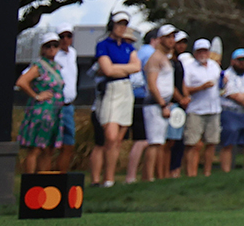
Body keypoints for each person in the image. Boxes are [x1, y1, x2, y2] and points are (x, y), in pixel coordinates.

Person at [90, 12, 141, 188]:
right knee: (110, 136)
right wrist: (123, 69)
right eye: (119, 24)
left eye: (124, 24)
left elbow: (136, 66)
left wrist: (117, 68)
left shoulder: (127, 47)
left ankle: (109, 179)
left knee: (118, 138)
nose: (122, 28)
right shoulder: (103, 45)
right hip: (111, 90)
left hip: (126, 89)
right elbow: (107, 70)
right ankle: (101, 177)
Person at [16, 34, 70, 174]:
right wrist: (37, 96)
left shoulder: (57, 66)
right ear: (42, 49)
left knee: (48, 149)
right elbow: (21, 82)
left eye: (55, 45)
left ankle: (43, 181)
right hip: (41, 111)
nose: (52, 49)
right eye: (48, 46)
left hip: (55, 112)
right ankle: (30, 180)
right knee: (36, 148)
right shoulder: (39, 65)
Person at [131, 25, 178, 183]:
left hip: (163, 103)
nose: (172, 40)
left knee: (159, 142)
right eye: (168, 37)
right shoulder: (155, 58)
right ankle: (148, 177)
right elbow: (152, 84)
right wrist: (162, 104)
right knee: (154, 142)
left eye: (173, 37)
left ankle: (152, 177)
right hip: (155, 105)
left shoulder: (165, 57)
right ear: (160, 39)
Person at [179, 38, 222, 177]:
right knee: (192, 144)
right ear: (195, 53)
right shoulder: (189, 68)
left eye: (205, 51)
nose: (202, 54)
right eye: (200, 51)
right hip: (196, 109)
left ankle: (207, 172)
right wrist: (200, 87)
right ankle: (191, 173)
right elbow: (185, 89)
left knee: (211, 142)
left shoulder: (214, 66)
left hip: (214, 108)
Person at [220, 48, 244, 171]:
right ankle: (226, 171)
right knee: (228, 144)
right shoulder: (226, 75)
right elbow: (233, 96)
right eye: (239, 60)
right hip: (231, 112)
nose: (242, 62)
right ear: (233, 61)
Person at [52, 25, 80, 172]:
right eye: (62, 37)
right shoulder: (53, 55)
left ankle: (60, 177)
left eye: (68, 36)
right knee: (49, 146)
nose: (65, 40)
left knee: (68, 144)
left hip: (68, 105)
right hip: (54, 105)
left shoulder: (72, 53)